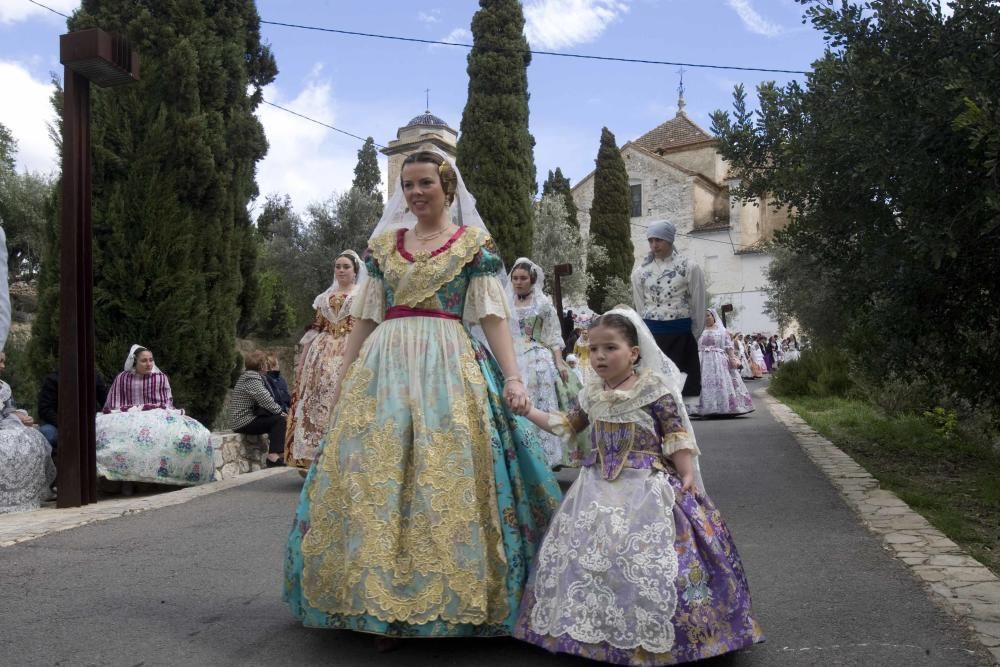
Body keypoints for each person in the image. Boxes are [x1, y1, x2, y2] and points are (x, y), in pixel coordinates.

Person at [284, 148, 561, 647]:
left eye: (424, 183)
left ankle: (450, 599)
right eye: (408, 184)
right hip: (384, 367)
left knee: (445, 472)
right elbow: (366, 315)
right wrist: (347, 374)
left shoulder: (472, 244)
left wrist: (513, 377)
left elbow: (493, 318)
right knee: (377, 475)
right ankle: (376, 600)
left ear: (446, 187)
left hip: (449, 363)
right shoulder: (383, 247)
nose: (414, 193)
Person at [512, 308, 764, 664]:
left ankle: (664, 634)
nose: (600, 356)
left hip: (646, 485)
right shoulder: (591, 395)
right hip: (594, 487)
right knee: (590, 557)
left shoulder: (653, 389)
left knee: (649, 557)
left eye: (610, 348)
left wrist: (687, 472)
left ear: (633, 353)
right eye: (594, 348)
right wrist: (527, 411)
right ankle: (591, 630)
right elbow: (566, 426)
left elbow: (675, 433)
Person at [283, 250, 362, 469]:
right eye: (338, 266)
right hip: (321, 353)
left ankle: (343, 457)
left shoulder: (362, 295)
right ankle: (312, 456)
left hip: (349, 349)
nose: (341, 270)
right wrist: (301, 363)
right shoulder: (323, 298)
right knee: (316, 401)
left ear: (355, 271)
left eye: (346, 266)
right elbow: (314, 330)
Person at [96, 345, 214, 486]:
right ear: (135, 362)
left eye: (151, 360)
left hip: (157, 413)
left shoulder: (160, 378)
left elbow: (166, 404)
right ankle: (123, 480)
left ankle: (172, 476)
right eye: (144, 361)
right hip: (125, 414)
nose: (148, 364)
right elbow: (114, 404)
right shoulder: (122, 378)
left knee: (187, 433)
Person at [509, 257, 583, 468]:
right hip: (512, 351)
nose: (518, 282)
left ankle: (548, 453)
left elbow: (552, 335)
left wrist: (559, 362)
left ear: (532, 280)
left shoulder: (542, 303)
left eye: (523, 278)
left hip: (536, 352)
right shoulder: (506, 303)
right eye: (515, 278)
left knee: (540, 393)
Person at [631, 220, 705, 413]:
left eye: (659, 240)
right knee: (654, 389)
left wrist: (694, 334)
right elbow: (640, 306)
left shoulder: (689, 267)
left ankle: (682, 433)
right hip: (653, 337)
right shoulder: (640, 273)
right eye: (651, 240)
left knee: (680, 392)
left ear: (670, 240)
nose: (654, 245)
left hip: (681, 334)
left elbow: (698, 302)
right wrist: (644, 334)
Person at [0, 351, 56, 513]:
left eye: (4, 361)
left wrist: (21, 417)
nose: (3, 366)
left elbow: (8, 410)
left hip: (5, 425)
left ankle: (27, 494)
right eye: (0, 362)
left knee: (30, 439)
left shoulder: (3, 387)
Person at [229, 350, 287, 466]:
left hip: (246, 419)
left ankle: (279, 454)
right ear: (261, 365)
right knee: (279, 420)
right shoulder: (251, 379)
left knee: (277, 418)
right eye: (265, 363)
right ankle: (273, 456)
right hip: (243, 422)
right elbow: (266, 400)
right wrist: (282, 413)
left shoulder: (250, 376)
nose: (267, 365)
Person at [36, 371, 109, 456]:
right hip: (59, 426)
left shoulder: (93, 377)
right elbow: (45, 409)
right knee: (47, 433)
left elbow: (105, 402)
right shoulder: (52, 380)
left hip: (89, 425)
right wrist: (66, 426)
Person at [697, 309, 754, 417]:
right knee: (702, 383)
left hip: (718, 360)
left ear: (714, 317)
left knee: (721, 382)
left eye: (708, 315)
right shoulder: (698, 331)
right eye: (704, 316)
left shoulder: (722, 331)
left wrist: (732, 358)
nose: (706, 318)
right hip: (702, 361)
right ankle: (704, 408)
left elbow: (729, 347)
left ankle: (723, 407)